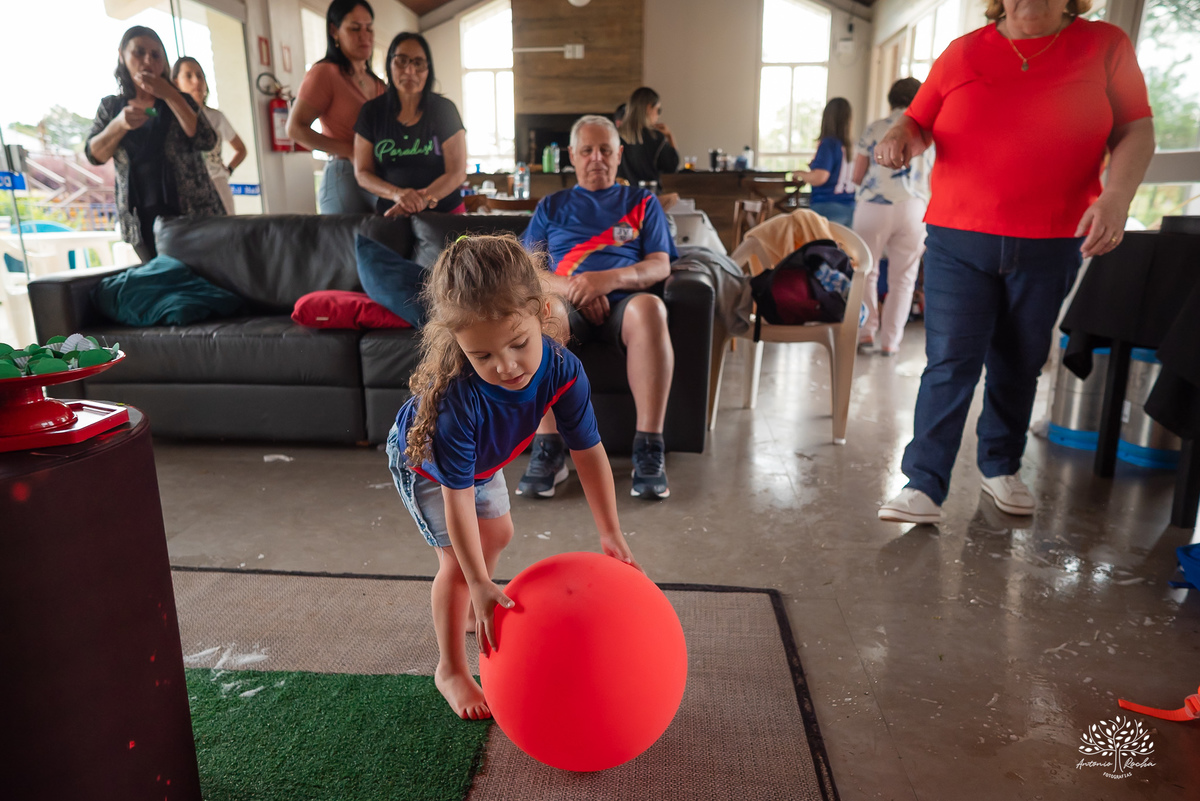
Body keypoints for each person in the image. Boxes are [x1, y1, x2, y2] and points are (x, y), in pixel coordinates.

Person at [874, 0, 1155, 524]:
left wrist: (1116, 197)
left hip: (1052, 238)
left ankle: (1000, 466)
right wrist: (899, 137)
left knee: (1020, 360)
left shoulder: (1104, 46)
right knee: (949, 362)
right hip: (959, 237)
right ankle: (924, 484)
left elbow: (1136, 128)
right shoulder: (963, 53)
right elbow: (918, 120)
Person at [386, 234, 640, 720]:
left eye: (518, 344)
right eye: (482, 357)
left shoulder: (564, 370)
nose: (504, 366)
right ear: (458, 343)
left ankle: (467, 601)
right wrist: (480, 579)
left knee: (499, 532)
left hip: (483, 461)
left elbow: (588, 452)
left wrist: (610, 531)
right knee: (460, 565)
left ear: (542, 312)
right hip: (426, 462)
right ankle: (451, 669)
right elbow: (457, 497)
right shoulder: (458, 405)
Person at [520, 115, 678, 501]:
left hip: (627, 303)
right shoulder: (553, 205)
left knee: (652, 310)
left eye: (605, 150)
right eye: (587, 150)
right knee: (542, 315)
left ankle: (648, 450)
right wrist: (577, 288)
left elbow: (660, 263)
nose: (596, 158)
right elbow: (526, 269)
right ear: (571, 155)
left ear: (619, 154)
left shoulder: (642, 202)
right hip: (566, 302)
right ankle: (549, 450)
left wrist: (607, 280)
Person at [85, 26, 225, 262]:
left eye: (156, 54)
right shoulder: (111, 107)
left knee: (205, 277)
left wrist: (170, 95)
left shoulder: (182, 100)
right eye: (139, 52)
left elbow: (206, 140)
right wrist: (118, 125)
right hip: (141, 218)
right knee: (161, 279)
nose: (148, 60)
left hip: (193, 213)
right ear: (122, 55)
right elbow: (94, 155)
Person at [851, 78, 928, 355]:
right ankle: (891, 342)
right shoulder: (927, 132)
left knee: (866, 272)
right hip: (914, 208)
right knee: (904, 278)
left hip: (874, 206)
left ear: (891, 99)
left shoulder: (875, 128)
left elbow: (857, 176)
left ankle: (866, 333)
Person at [288, 0, 386, 214]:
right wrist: (350, 151)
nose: (364, 36)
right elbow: (295, 128)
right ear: (334, 30)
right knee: (346, 247)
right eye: (354, 28)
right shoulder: (325, 73)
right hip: (345, 176)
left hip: (378, 177)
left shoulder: (378, 83)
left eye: (369, 28)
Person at [353, 32, 467, 215]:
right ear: (390, 64)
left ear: (428, 69)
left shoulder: (445, 110)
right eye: (401, 61)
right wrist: (398, 195)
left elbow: (457, 172)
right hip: (391, 214)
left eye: (418, 63)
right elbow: (363, 174)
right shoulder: (371, 112)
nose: (410, 71)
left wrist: (422, 199)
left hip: (444, 214)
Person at [172, 57, 247, 215]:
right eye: (189, 76)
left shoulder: (216, 117)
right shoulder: (171, 118)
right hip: (187, 188)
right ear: (176, 82)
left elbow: (241, 149)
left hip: (217, 184)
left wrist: (228, 170)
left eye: (200, 76)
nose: (196, 81)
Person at [795, 97, 856, 227]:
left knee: (822, 247)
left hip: (827, 207)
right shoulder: (852, 146)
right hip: (849, 207)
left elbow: (820, 177)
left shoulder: (828, 144)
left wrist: (802, 174)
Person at [617, 87, 679, 187]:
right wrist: (669, 136)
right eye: (658, 110)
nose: (658, 115)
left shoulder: (614, 136)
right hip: (647, 196)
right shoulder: (656, 137)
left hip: (620, 196)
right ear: (649, 108)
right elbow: (672, 167)